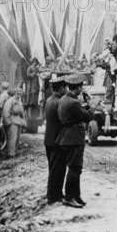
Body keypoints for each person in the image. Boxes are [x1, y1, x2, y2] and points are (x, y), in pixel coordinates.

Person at [57, 74, 92, 208]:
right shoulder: (73, 102)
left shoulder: (64, 99)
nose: (81, 89)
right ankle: (70, 197)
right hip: (74, 138)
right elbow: (87, 117)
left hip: (67, 136)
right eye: (80, 87)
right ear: (76, 88)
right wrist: (90, 106)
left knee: (75, 168)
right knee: (75, 168)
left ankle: (76, 195)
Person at [44, 76, 68, 204]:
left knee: (53, 168)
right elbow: (64, 120)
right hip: (57, 140)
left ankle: (53, 193)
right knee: (57, 169)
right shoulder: (59, 102)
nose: (66, 89)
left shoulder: (49, 100)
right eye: (65, 87)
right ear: (61, 88)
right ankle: (54, 195)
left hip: (50, 139)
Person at [2, 89, 26, 158]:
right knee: (12, 138)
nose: (19, 94)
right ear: (15, 93)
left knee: (17, 139)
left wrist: (23, 122)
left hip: (18, 121)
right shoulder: (10, 101)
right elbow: (6, 112)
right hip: (12, 121)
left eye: (20, 93)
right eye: (17, 93)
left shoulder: (19, 101)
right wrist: (8, 122)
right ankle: (10, 153)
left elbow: (22, 113)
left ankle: (14, 152)